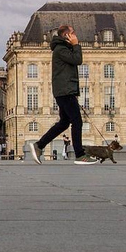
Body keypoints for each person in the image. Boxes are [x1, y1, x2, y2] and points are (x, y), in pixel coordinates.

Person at [29, 25, 99, 165]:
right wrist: (76, 45)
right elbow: (77, 60)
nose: (75, 35)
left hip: (64, 90)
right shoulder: (61, 50)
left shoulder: (62, 49)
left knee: (64, 123)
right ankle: (80, 155)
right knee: (77, 121)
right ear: (66, 35)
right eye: (73, 33)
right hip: (65, 91)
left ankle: (39, 145)